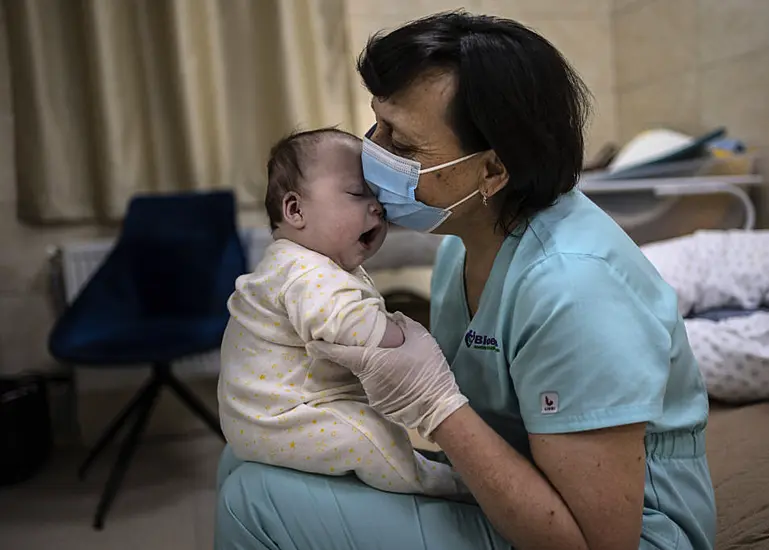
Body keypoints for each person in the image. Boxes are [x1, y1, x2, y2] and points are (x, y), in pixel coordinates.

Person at [215, 12, 716, 550]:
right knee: (250, 450)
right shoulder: (463, 244)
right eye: (376, 125)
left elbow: (598, 543)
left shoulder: (574, 291)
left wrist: (436, 407)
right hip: (526, 478)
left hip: (633, 537)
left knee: (254, 501)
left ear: (492, 172)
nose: (372, 155)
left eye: (402, 147)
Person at [218, 128, 467, 497]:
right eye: (356, 193)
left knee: (377, 424)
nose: (377, 208)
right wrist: (404, 336)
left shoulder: (296, 263)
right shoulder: (306, 272)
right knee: (369, 435)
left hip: (262, 416)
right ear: (295, 209)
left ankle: (412, 464)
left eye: (378, 197)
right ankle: (435, 486)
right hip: (287, 417)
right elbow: (356, 328)